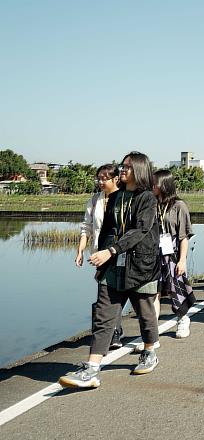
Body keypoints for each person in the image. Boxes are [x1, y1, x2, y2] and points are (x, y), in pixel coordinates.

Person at [59, 152, 161, 388]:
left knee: (145, 313)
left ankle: (149, 351)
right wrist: (103, 260)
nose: (122, 170)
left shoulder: (147, 198)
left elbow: (140, 230)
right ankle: (92, 368)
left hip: (140, 265)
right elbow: (106, 230)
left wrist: (112, 250)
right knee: (104, 316)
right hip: (113, 265)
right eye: (121, 166)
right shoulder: (116, 197)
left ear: (140, 170)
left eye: (127, 167)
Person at [76, 164, 125, 350]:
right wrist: (80, 250)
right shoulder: (95, 200)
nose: (101, 181)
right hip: (99, 254)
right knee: (104, 292)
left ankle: (114, 332)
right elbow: (86, 227)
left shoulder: (123, 199)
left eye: (105, 178)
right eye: (99, 178)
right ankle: (109, 331)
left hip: (119, 253)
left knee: (115, 293)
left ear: (116, 179)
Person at [152, 169, 196, 339]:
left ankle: (183, 319)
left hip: (172, 253)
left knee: (175, 289)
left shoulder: (179, 206)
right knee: (153, 292)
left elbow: (184, 236)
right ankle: (151, 331)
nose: (152, 186)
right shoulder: (152, 204)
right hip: (154, 254)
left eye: (155, 183)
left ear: (164, 184)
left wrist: (182, 260)